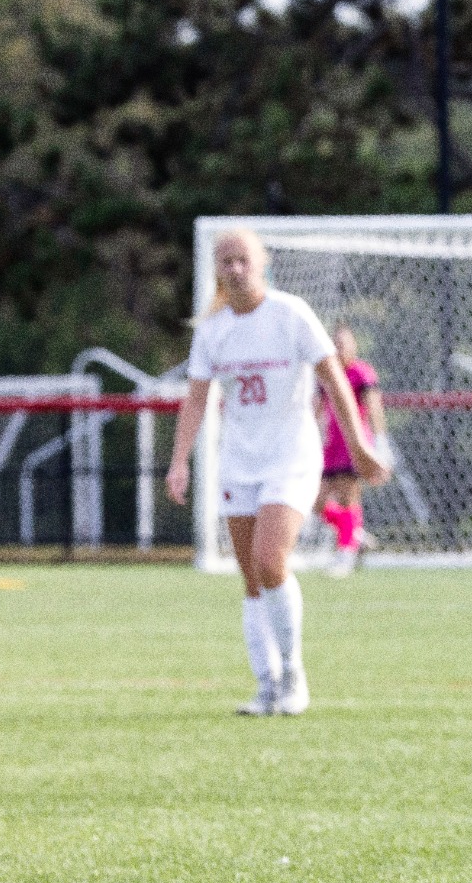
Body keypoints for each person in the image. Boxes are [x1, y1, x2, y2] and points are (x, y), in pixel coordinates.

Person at [166, 229, 390, 716]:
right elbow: (197, 400)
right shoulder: (213, 331)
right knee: (251, 579)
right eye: (225, 261)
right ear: (216, 270)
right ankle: (266, 684)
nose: (235, 268)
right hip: (239, 463)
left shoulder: (291, 314)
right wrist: (180, 459)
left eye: (242, 259)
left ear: (262, 263)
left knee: (271, 562)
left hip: (291, 458)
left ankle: (293, 675)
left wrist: (360, 447)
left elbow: (335, 382)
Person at [314, 324, 388, 577]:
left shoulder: (362, 373)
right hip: (330, 446)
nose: (340, 348)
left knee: (347, 498)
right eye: (335, 344)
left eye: (344, 343)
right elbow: (318, 410)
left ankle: (345, 555)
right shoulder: (327, 374)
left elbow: (374, 409)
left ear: (354, 346)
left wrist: (380, 443)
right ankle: (353, 533)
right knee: (315, 501)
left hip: (353, 446)